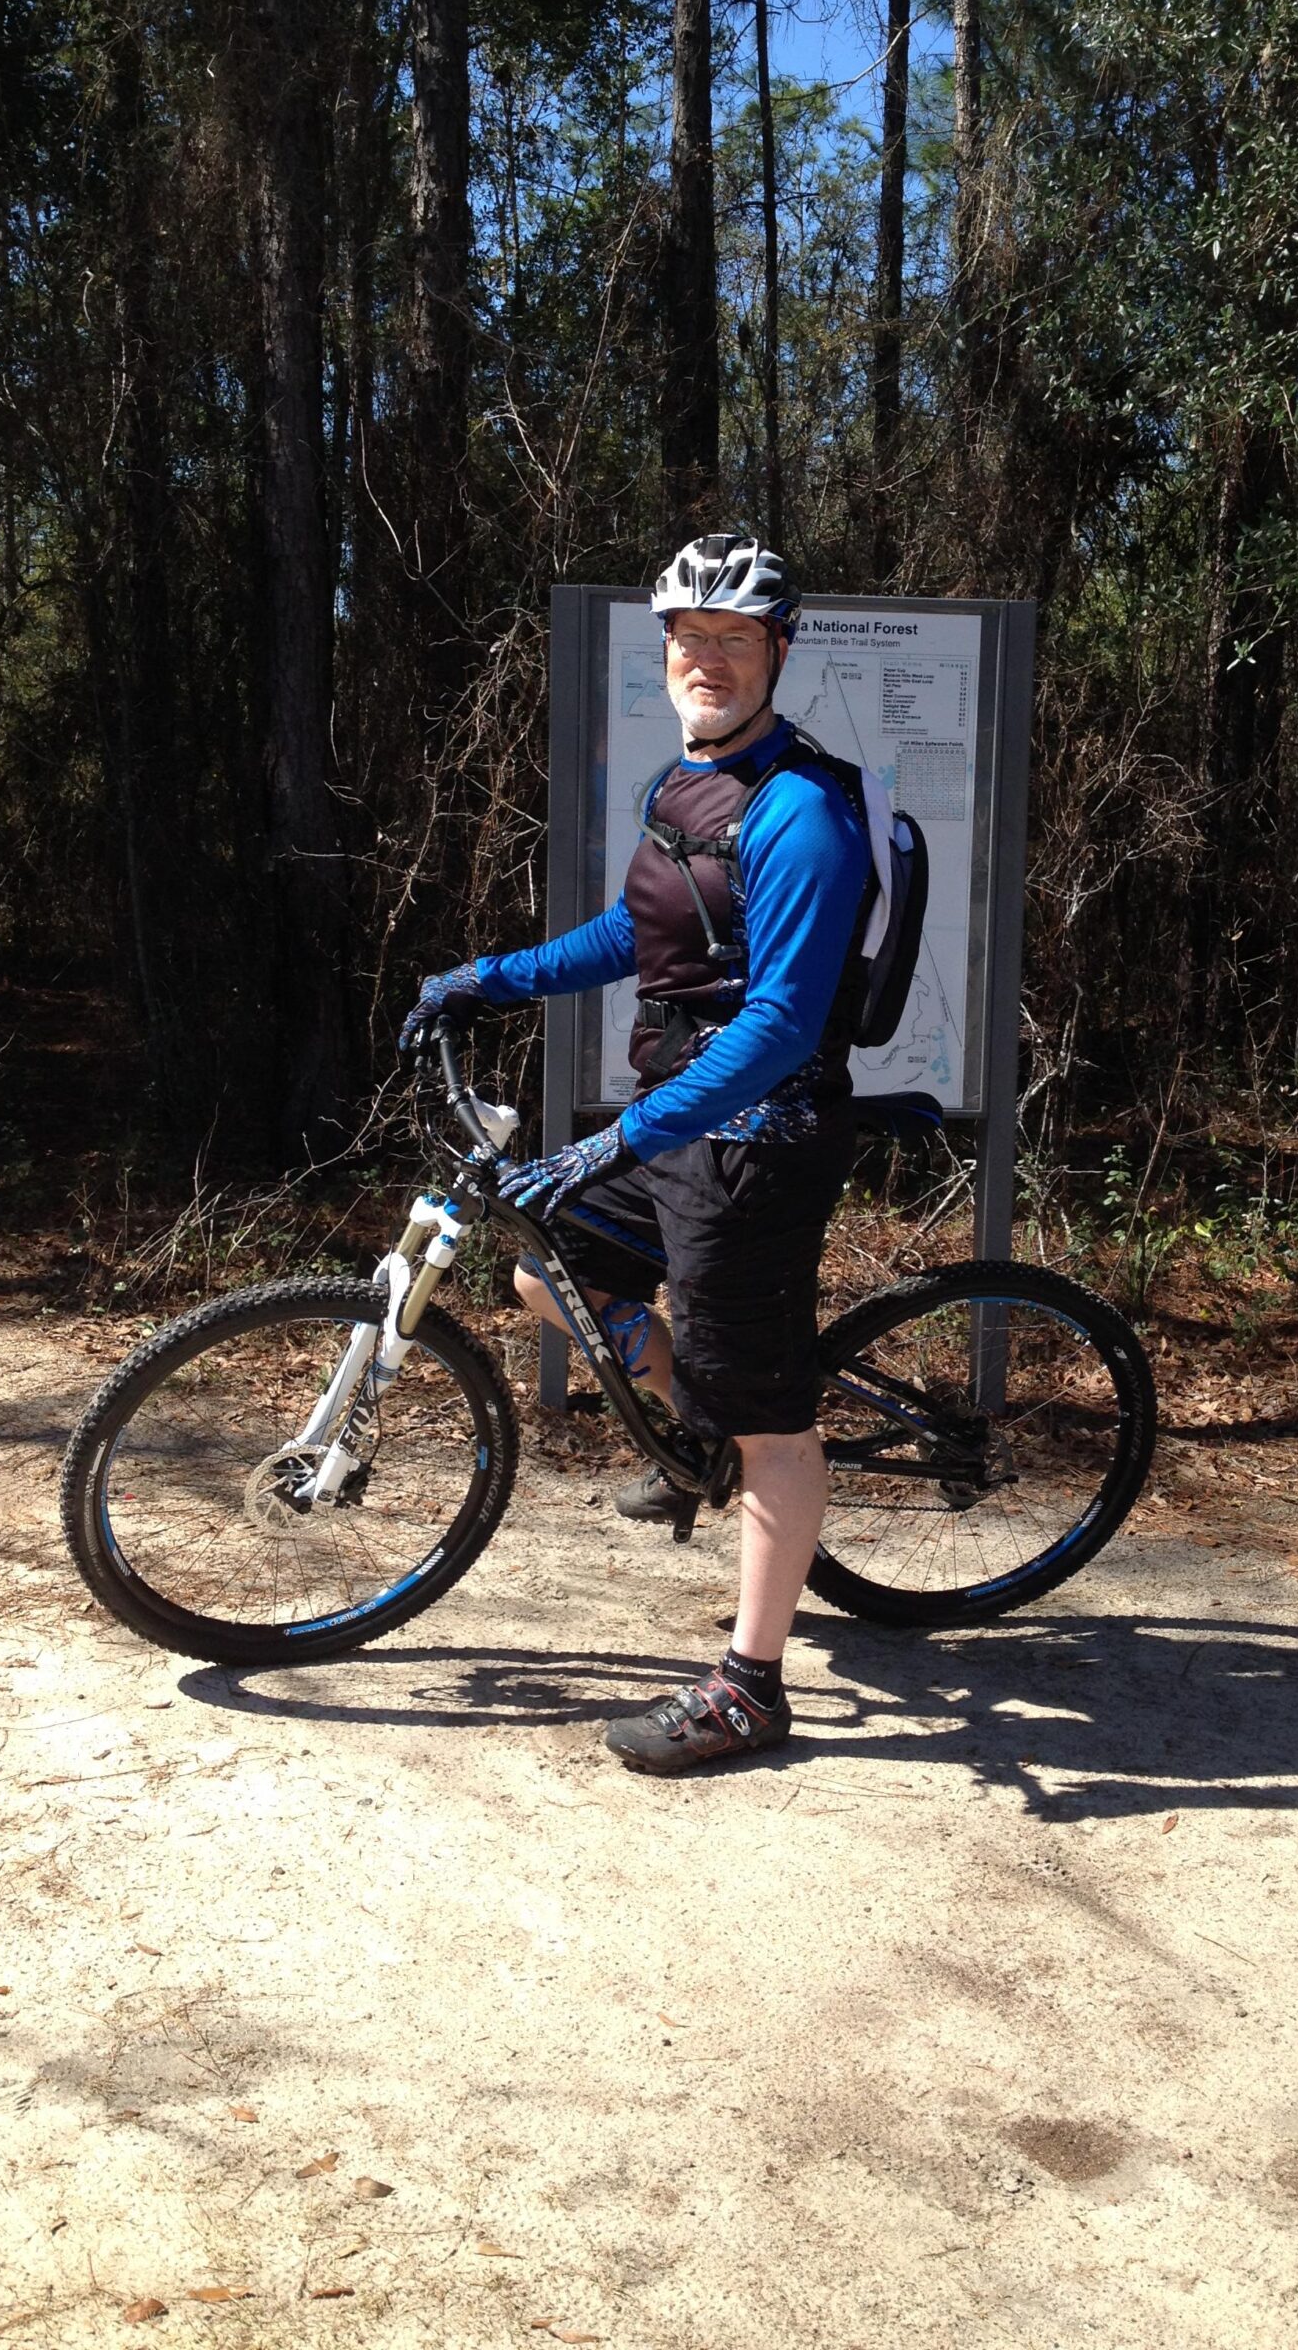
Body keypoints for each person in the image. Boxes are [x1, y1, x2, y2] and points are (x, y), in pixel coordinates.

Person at [400, 534, 871, 1775]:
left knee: (773, 1417)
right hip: (676, 1123)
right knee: (550, 1273)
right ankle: (692, 1432)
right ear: (664, 651)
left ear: (777, 650)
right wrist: (485, 980)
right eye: (687, 638)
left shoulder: (802, 814)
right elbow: (638, 931)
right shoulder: (689, 786)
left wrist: (620, 1133)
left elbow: (776, 1025)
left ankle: (753, 1686)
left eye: (732, 640)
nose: (704, 659)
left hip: (758, 1141)